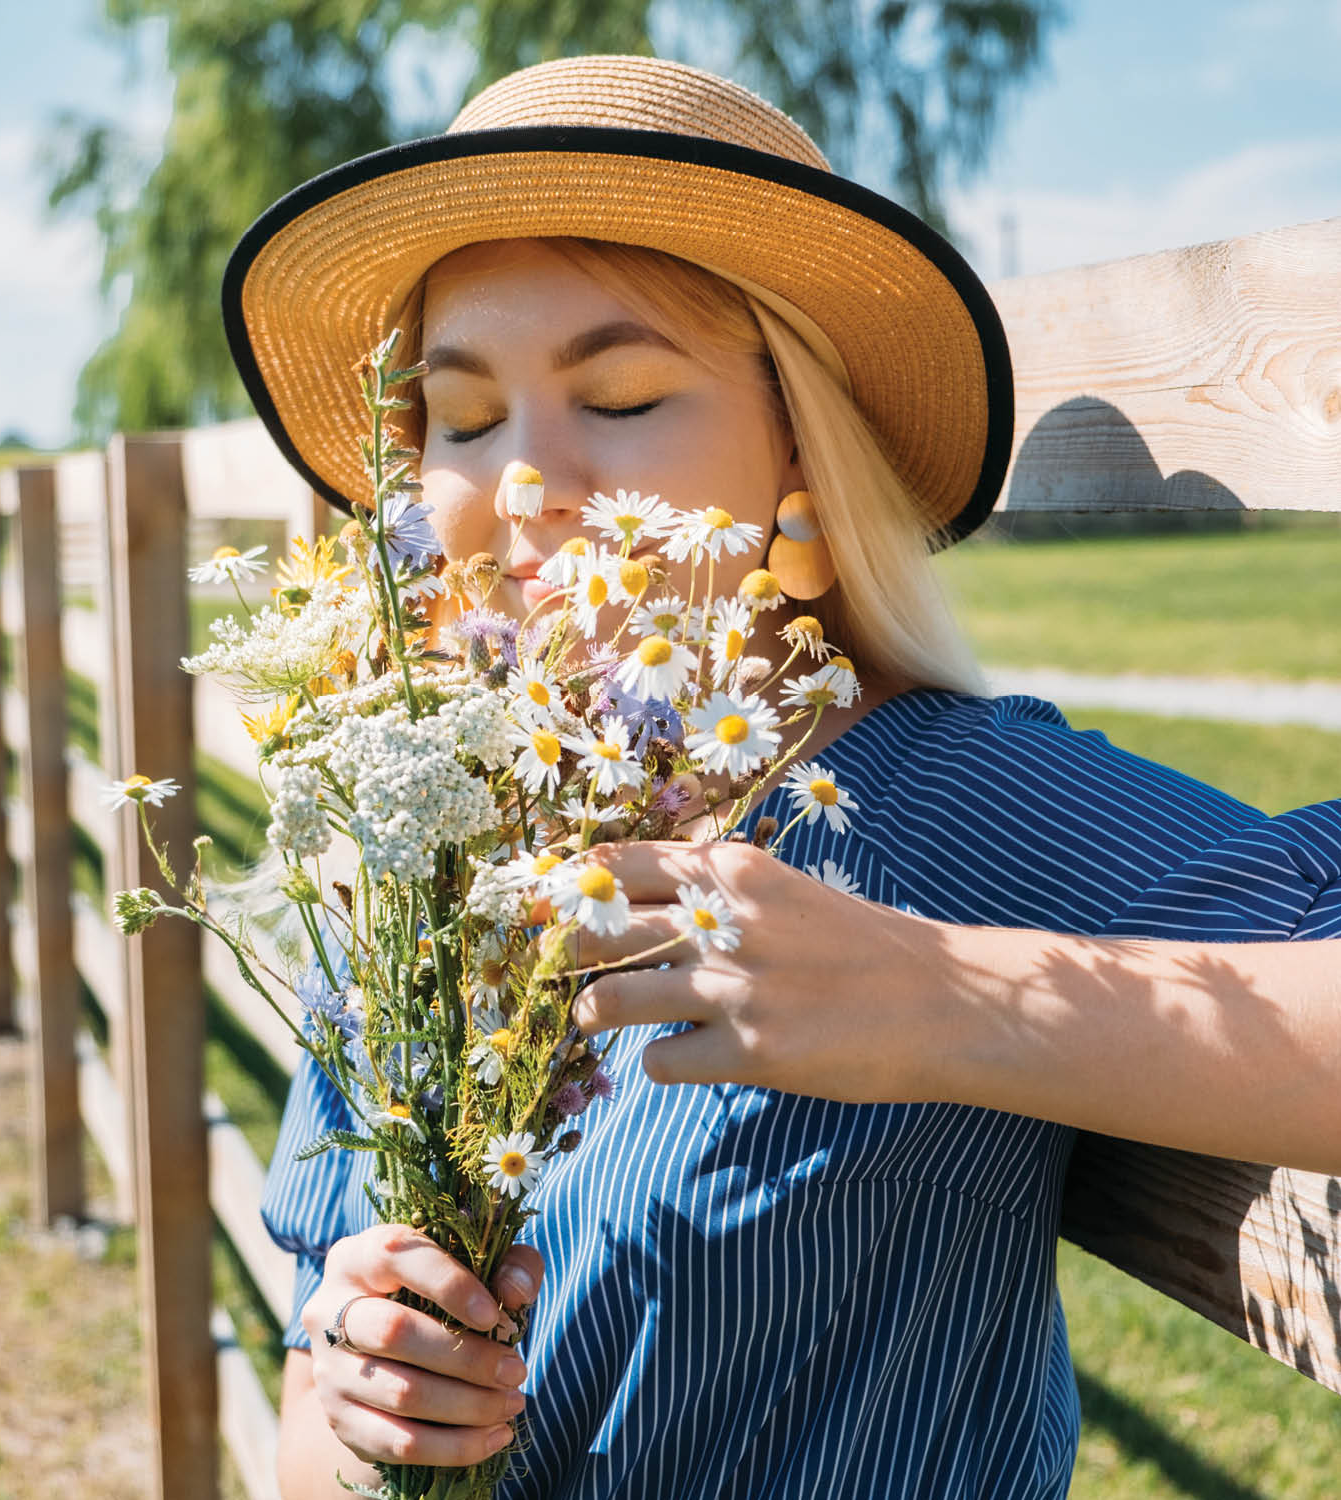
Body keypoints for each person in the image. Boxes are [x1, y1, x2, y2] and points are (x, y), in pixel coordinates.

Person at [220, 54, 1341, 1499]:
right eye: (463, 417)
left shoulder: (934, 798)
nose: (523, 481)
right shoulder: (419, 862)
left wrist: (951, 996)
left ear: (799, 443)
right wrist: (371, 1397)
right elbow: (306, 1428)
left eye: (620, 396)